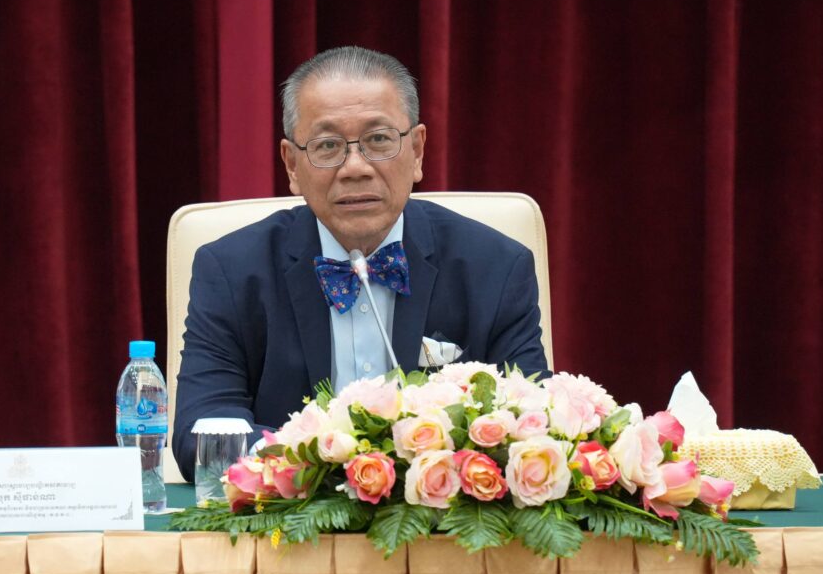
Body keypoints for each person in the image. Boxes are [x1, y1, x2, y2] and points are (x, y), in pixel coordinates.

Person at [172, 46, 548, 481]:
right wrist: (323, 464)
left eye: (379, 140)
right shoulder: (231, 271)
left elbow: (533, 424)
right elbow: (204, 432)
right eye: (327, 146)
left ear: (417, 151)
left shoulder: (495, 267)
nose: (355, 167)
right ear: (292, 165)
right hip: (293, 519)